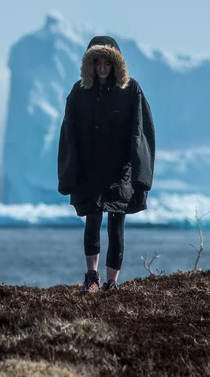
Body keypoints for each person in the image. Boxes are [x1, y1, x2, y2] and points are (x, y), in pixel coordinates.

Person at [57, 35, 156, 293]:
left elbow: (140, 132)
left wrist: (141, 176)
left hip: (119, 173)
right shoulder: (79, 92)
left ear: (116, 64)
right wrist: (70, 172)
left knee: (116, 224)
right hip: (90, 171)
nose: (102, 69)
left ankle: (112, 282)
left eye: (107, 64)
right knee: (92, 220)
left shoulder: (131, 90)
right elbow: (69, 133)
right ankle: (92, 278)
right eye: (97, 63)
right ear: (89, 64)